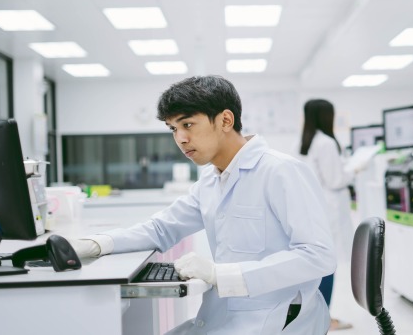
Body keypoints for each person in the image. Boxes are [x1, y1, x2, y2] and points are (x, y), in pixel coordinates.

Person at [71, 75, 336, 335]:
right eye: (173, 129)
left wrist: (220, 274)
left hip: (277, 318)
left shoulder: (280, 171)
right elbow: (161, 229)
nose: (180, 139)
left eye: (188, 124)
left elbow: (318, 255)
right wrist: (98, 243)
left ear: (225, 120)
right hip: (225, 314)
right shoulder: (211, 180)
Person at [298, 99, 354, 331]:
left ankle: (314, 316)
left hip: (310, 209)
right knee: (328, 265)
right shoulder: (326, 143)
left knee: (316, 265)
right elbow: (335, 180)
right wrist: (354, 170)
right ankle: (325, 318)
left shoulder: (304, 143)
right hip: (328, 210)